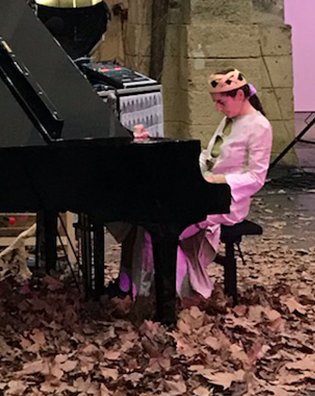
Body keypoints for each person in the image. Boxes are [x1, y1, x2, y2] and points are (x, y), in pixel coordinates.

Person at [109, 68, 273, 300]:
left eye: (221, 102)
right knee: (141, 214)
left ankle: (154, 293)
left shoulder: (260, 127)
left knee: (158, 224)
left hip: (226, 201)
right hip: (206, 190)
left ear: (239, 96)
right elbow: (208, 158)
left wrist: (217, 180)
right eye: (215, 102)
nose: (218, 108)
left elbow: (256, 178)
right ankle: (129, 283)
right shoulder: (230, 120)